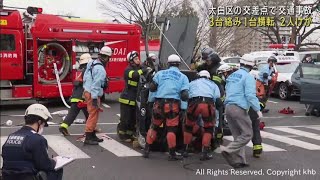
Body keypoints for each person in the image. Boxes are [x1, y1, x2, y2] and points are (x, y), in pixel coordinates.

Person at [143, 54, 189, 161]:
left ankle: (146, 149)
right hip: (173, 105)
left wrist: (150, 102)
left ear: (168, 63)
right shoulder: (183, 77)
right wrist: (183, 109)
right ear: (179, 64)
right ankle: (172, 154)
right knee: (171, 129)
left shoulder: (159, 74)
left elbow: (152, 89)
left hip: (159, 104)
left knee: (154, 126)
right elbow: (184, 95)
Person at [221, 53, 263, 169]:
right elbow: (250, 95)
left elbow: (227, 91)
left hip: (228, 107)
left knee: (238, 135)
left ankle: (240, 161)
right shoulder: (248, 77)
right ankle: (228, 150)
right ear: (251, 66)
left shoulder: (232, 76)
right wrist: (257, 109)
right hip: (239, 108)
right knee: (247, 133)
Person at [2, 104, 63, 180]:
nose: (42, 127)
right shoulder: (38, 139)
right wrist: (54, 161)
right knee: (56, 169)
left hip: (7, 176)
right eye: (43, 125)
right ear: (39, 122)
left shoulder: (11, 136)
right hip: (27, 177)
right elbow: (45, 165)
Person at [182, 70, 222, 161]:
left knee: (188, 127)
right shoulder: (213, 84)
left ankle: (185, 150)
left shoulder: (192, 83)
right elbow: (217, 99)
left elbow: (185, 95)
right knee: (208, 128)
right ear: (208, 77)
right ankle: (204, 152)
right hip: (208, 104)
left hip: (194, 103)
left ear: (198, 76)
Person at [82, 46, 112, 145]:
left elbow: (86, 77)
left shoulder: (92, 63)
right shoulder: (100, 69)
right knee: (93, 115)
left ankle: (92, 135)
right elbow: (96, 84)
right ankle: (89, 137)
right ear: (107, 57)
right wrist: (94, 98)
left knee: (93, 114)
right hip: (92, 94)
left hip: (87, 91)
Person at [118, 51, 149, 142]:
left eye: (138, 58)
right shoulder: (128, 69)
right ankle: (122, 135)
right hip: (126, 98)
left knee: (133, 119)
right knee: (125, 119)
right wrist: (144, 69)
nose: (138, 60)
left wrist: (147, 66)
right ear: (131, 61)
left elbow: (145, 70)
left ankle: (130, 135)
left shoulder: (139, 67)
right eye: (135, 59)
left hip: (134, 98)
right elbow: (135, 75)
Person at [196, 47, 225, 147]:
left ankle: (217, 138)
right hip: (207, 96)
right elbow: (198, 69)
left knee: (218, 119)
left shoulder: (219, 69)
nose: (206, 61)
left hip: (217, 96)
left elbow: (219, 85)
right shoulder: (205, 66)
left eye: (207, 59)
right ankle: (204, 138)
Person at [59, 53, 90, 136]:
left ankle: (63, 126)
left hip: (75, 97)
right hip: (83, 98)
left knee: (72, 114)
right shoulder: (88, 71)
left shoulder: (79, 72)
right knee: (90, 115)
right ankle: (91, 130)